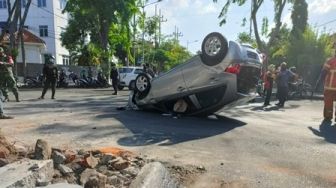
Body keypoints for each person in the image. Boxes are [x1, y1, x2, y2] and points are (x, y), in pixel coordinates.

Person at [315, 51, 336, 123]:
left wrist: (318, 83)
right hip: (330, 86)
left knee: (328, 102)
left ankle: (328, 116)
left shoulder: (330, 61)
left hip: (330, 86)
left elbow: (323, 73)